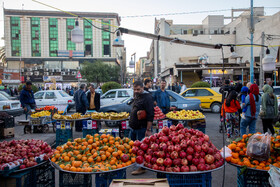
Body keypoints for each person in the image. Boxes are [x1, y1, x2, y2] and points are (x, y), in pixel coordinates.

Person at [129, 81, 154, 175]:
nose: (136, 91)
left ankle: (141, 168)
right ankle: (137, 165)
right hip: (133, 127)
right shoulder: (137, 96)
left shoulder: (148, 98)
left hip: (141, 128)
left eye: (138, 89)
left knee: (141, 150)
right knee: (134, 149)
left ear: (143, 88)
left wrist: (148, 130)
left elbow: (151, 114)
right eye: (134, 89)